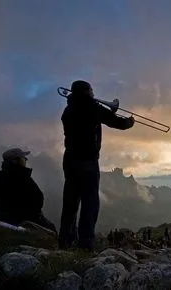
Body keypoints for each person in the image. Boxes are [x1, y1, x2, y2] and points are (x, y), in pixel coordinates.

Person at [58, 80, 134, 251]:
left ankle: (65, 242)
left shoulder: (68, 110)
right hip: (87, 161)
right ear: (87, 91)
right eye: (91, 90)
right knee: (90, 203)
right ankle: (85, 246)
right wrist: (130, 122)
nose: (93, 93)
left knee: (70, 201)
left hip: (70, 159)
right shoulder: (92, 107)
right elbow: (118, 123)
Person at [0, 148, 57, 233]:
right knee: (51, 229)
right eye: (23, 158)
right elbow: (37, 200)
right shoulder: (22, 177)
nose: (25, 160)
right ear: (15, 161)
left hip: (4, 220)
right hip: (25, 221)